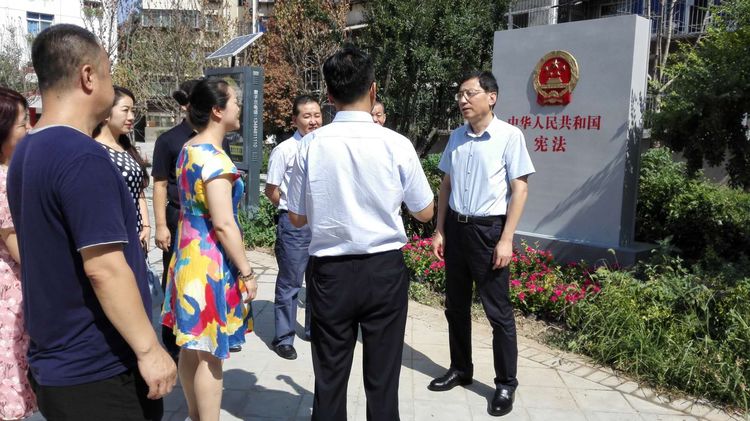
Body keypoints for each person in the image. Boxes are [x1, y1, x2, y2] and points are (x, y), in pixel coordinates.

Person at [7, 24, 176, 420]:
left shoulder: (27, 151)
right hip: (100, 369)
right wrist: (150, 349)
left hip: (56, 365)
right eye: (108, 73)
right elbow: (104, 268)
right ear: (88, 76)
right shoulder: (83, 157)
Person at [286, 45, 435, 421]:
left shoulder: (310, 146)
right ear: (373, 89)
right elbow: (425, 211)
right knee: (383, 381)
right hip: (383, 272)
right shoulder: (396, 144)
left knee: (329, 381)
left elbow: (297, 217)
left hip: (330, 274)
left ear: (329, 95)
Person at [428, 70, 535, 417]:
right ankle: (461, 369)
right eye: (460, 94)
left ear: (491, 97)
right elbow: (446, 185)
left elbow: (520, 189)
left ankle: (505, 383)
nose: (463, 100)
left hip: (489, 233)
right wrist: (440, 230)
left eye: (469, 93)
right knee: (455, 306)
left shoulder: (509, 136)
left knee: (498, 312)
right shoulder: (457, 137)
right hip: (456, 230)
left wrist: (507, 239)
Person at [161, 77, 257, 421]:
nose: (239, 108)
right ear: (218, 110)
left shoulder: (189, 149)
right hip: (209, 265)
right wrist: (247, 272)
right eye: (235, 102)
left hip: (186, 258)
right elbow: (224, 224)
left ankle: (193, 414)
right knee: (210, 354)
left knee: (191, 347)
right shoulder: (216, 161)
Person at [264, 94, 322, 360]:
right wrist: (291, 209)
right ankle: (284, 338)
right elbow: (271, 189)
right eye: (307, 116)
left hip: (321, 223)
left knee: (318, 280)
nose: (313, 121)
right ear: (295, 120)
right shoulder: (285, 150)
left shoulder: (326, 147)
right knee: (290, 282)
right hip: (294, 225)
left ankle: (313, 329)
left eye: (317, 115)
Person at [152, 80, 199, 361]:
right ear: (186, 105)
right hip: (177, 216)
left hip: (207, 221)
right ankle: (171, 336)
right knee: (173, 274)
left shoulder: (218, 138)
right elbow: (159, 184)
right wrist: (160, 225)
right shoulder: (168, 140)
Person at [0, 86, 35, 420]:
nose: (30, 129)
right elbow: (23, 252)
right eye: (24, 123)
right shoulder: (4, 181)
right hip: (8, 299)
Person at [94, 86, 151, 251]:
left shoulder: (126, 148)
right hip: (113, 236)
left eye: (133, 111)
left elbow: (139, 191)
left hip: (137, 234)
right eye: (125, 110)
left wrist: (146, 226)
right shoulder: (95, 151)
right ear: (106, 113)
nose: (131, 117)